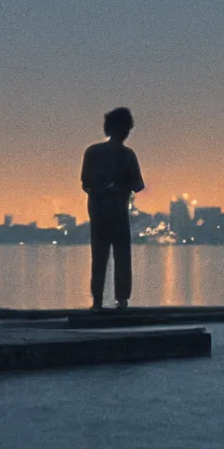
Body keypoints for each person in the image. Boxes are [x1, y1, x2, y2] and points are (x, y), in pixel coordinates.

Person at [81, 107, 145, 311]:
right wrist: (120, 184)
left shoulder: (93, 152)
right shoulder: (127, 155)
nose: (127, 132)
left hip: (101, 212)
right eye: (126, 128)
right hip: (115, 212)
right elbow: (138, 185)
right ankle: (121, 301)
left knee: (100, 257)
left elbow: (85, 183)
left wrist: (103, 188)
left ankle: (98, 302)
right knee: (121, 257)